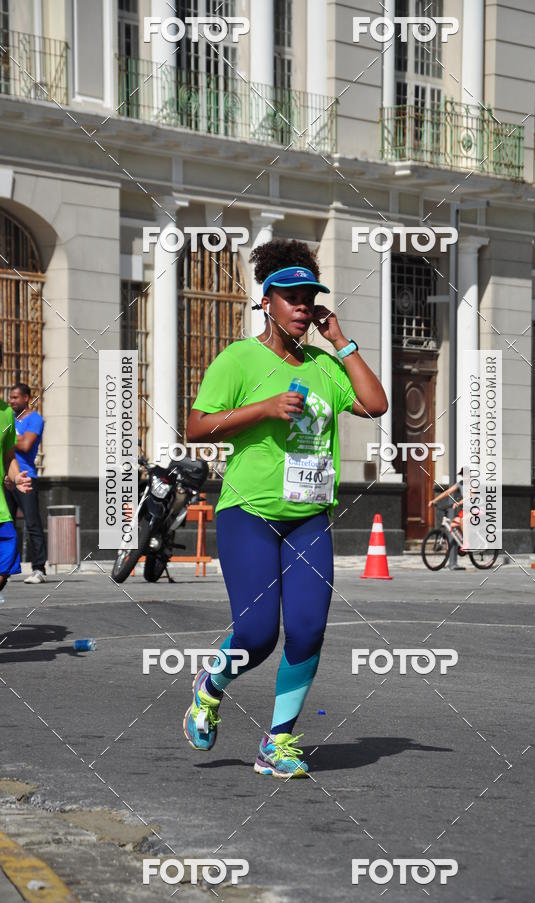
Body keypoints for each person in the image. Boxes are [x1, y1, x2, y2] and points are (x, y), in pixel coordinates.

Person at [182, 239, 388, 777]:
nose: (303, 305)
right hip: (249, 510)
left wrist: (341, 342)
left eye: (310, 297)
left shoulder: (325, 364)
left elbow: (375, 404)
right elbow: (197, 426)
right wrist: (265, 408)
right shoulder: (239, 358)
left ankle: (277, 742)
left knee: (307, 629)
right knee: (255, 635)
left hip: (309, 516)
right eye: (292, 297)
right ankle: (211, 685)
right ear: (267, 301)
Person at [6, 384, 47, 584]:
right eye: (10, 397)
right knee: (6, 524)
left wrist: (10, 438)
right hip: (6, 478)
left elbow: (26, 445)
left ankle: (39, 569)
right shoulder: (9, 419)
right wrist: (16, 438)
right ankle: (8, 568)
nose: (11, 401)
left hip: (26, 477)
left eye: (15, 397)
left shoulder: (35, 419)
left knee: (32, 524)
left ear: (26, 398)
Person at [0, 397, 32, 598]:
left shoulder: (6, 413)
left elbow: (8, 455)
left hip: (1, 510)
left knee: (4, 568)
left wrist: (16, 476)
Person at [429, 469, 465, 571]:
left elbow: (471, 496)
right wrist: (434, 500)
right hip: (465, 509)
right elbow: (448, 492)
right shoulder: (460, 484)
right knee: (453, 525)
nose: (464, 477)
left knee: (462, 519)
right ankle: (459, 544)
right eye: (462, 475)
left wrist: (459, 503)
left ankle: (466, 543)